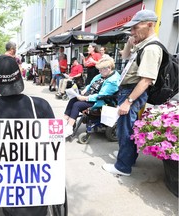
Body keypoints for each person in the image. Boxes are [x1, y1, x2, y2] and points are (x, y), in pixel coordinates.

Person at [0, 55, 55, 216]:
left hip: (1, 179)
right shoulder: (40, 105)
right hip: (36, 177)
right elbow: (54, 147)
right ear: (18, 74)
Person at [102, 10, 162, 176]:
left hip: (133, 92)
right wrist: (130, 41)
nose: (133, 32)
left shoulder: (151, 48)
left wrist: (128, 101)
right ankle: (128, 158)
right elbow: (125, 56)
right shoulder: (142, 44)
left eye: (136, 28)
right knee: (128, 128)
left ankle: (122, 166)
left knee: (125, 129)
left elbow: (146, 80)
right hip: (130, 91)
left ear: (150, 24)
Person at [64, 57, 120, 137]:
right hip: (90, 95)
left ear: (108, 68)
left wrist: (86, 98)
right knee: (73, 100)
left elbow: (102, 95)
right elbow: (90, 85)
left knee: (77, 105)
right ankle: (64, 121)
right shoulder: (101, 75)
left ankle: (69, 128)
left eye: (101, 69)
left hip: (101, 101)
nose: (99, 71)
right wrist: (84, 91)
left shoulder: (113, 80)